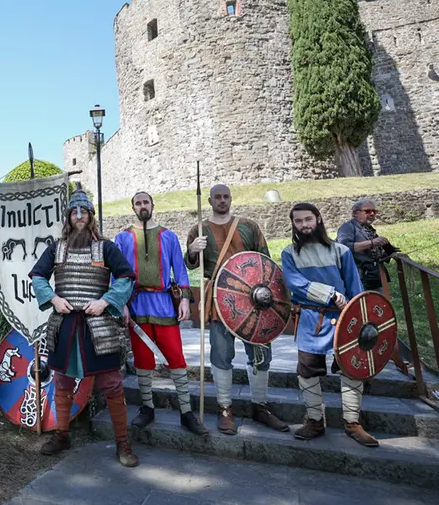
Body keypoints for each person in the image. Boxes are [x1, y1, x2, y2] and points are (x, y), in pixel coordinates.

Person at [29, 189, 140, 467]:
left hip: (98, 326)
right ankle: (62, 434)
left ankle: (123, 442)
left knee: (112, 384)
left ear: (91, 216)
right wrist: (54, 298)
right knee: (62, 382)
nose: (79, 216)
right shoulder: (56, 248)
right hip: (65, 324)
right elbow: (38, 276)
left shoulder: (106, 247)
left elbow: (126, 277)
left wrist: (106, 302)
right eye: (74, 212)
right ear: (68, 217)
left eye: (84, 211)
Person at [185, 184, 287, 435]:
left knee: (261, 354)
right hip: (221, 302)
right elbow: (191, 267)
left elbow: (266, 263)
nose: (222, 200)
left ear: (231, 199)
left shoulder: (249, 226)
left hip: (256, 302)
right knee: (221, 355)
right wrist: (192, 250)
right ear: (209, 200)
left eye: (226, 196)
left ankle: (260, 406)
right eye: (217, 197)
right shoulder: (199, 230)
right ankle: (225, 408)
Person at [282, 203, 377, 447]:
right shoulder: (289, 253)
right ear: (293, 224)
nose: (304, 225)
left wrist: (361, 317)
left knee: (351, 368)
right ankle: (315, 421)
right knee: (307, 370)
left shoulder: (340, 251)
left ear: (319, 219)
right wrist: (330, 294)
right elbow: (294, 282)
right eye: (299, 221)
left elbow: (354, 287)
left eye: (308, 219)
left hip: (344, 319)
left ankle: (353, 423)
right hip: (310, 319)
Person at [114, 192, 208, 435]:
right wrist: (121, 303)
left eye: (146, 202)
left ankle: (187, 412)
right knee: (143, 359)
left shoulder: (168, 237)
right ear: (133, 207)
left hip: (164, 304)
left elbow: (180, 269)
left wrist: (185, 300)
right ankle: (147, 408)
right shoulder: (123, 238)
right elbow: (117, 274)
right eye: (138, 203)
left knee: (175, 356)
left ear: (152, 205)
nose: (142, 206)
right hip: (136, 305)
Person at [336, 199, 398, 292]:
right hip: (357, 279)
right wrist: (372, 242)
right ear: (355, 213)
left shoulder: (368, 229)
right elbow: (342, 247)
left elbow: (374, 254)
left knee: (379, 305)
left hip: (373, 278)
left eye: (374, 211)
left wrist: (390, 251)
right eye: (368, 211)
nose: (372, 214)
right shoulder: (348, 227)